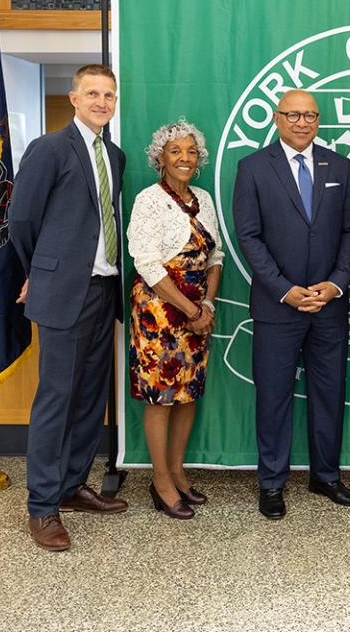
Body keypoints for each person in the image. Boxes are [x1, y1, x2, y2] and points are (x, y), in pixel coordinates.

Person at [10, 64, 128, 552]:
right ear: (74, 98)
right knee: (56, 399)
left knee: (88, 398)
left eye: (109, 94)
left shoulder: (114, 156)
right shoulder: (49, 149)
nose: (102, 101)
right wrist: (43, 271)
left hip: (103, 291)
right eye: (93, 93)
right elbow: (23, 220)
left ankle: (73, 485)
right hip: (63, 293)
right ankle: (42, 507)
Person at [232, 89, 350, 519]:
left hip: (329, 305)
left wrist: (337, 283)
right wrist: (284, 289)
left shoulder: (340, 166)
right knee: (274, 396)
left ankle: (326, 476)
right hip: (277, 306)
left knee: (329, 393)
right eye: (293, 114)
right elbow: (248, 236)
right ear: (277, 118)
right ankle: (271, 482)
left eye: (310, 115)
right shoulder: (252, 168)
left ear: (319, 120)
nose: (302, 122)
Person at [126, 120, 223, 521]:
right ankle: (160, 481)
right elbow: (146, 262)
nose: (184, 158)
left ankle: (179, 473)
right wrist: (189, 309)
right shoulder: (149, 200)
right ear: (160, 158)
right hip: (159, 313)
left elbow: (215, 257)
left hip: (198, 314)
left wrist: (208, 307)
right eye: (175, 151)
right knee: (161, 397)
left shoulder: (203, 198)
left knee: (188, 394)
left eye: (191, 152)